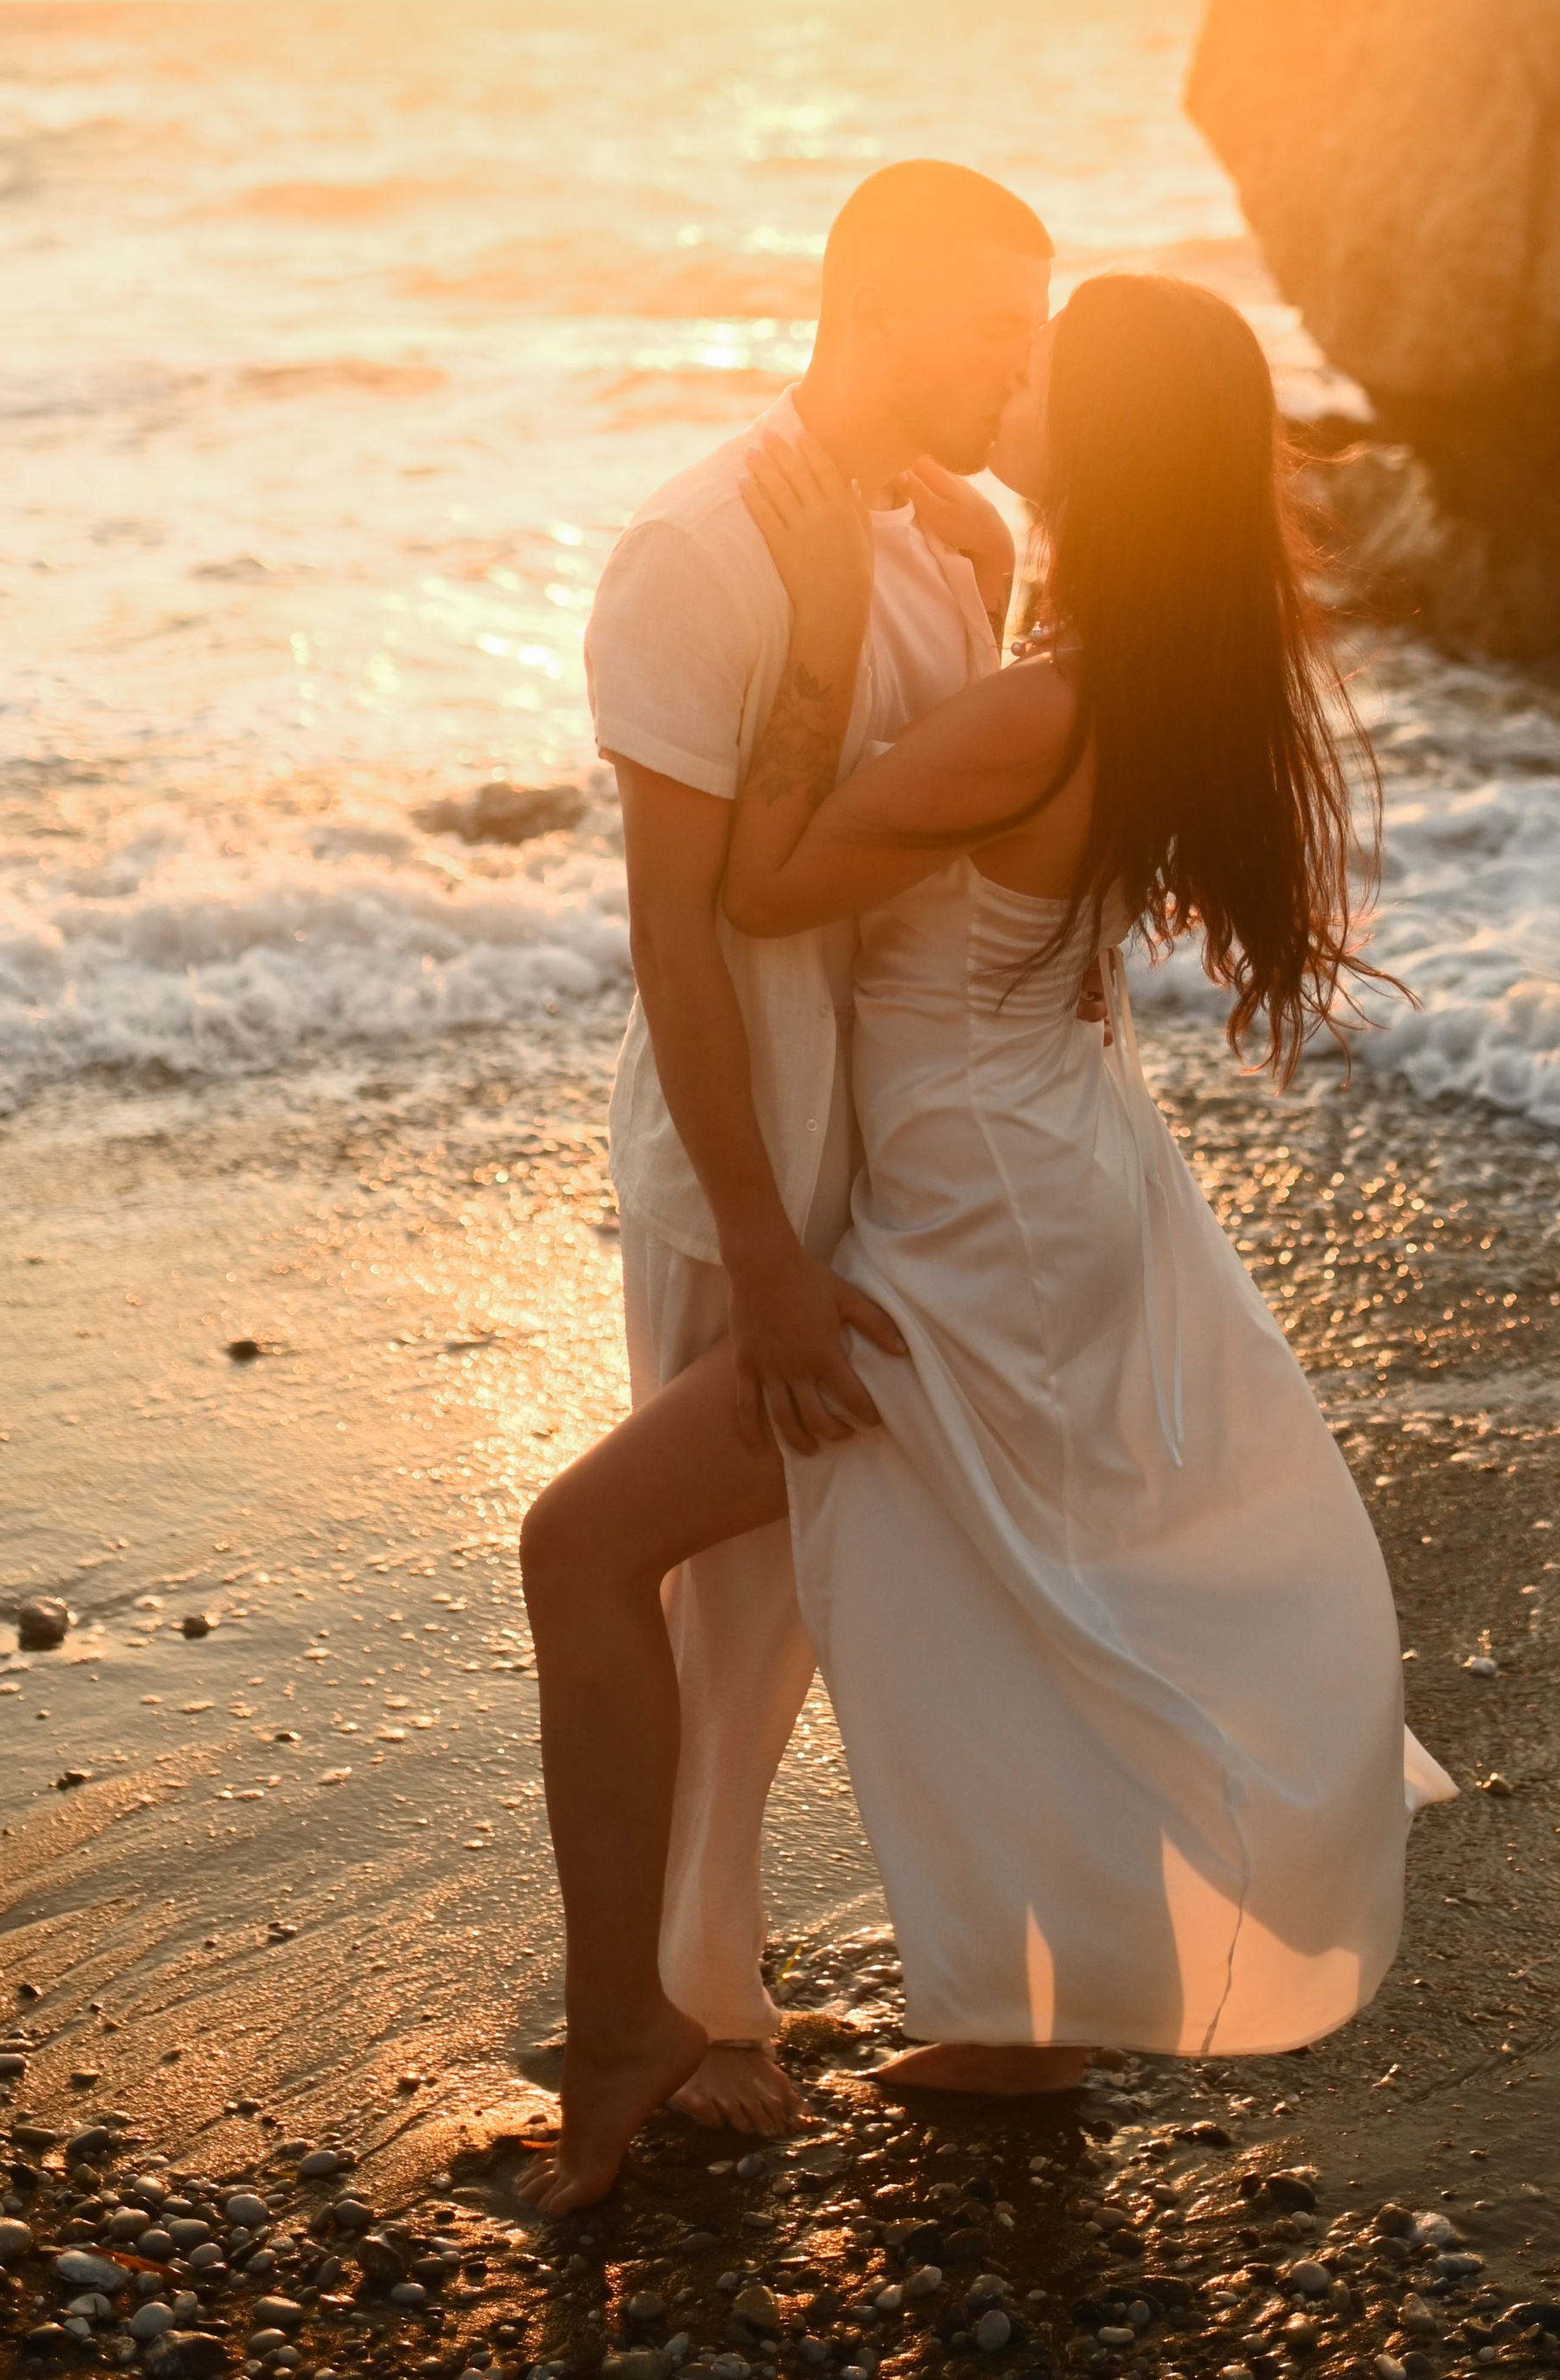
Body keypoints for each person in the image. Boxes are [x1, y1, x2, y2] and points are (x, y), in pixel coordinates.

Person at [523, 269, 1453, 2216]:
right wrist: (949, 546)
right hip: (1049, 1167)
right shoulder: (1123, 660)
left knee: (584, 1545)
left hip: (971, 1220)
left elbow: (763, 884)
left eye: (1042, 373)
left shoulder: (1041, 705)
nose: (1004, 377)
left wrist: (830, 630)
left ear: (1093, 444)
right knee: (1013, 1583)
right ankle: (1024, 2032)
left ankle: (623, 2024)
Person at [573, 157, 1055, 2140]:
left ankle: (959, 1988)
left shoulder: (969, 530)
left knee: (883, 1590)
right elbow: (677, 930)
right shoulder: (695, 556)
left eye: (1036, 330)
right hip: (746, 1163)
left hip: (916, 1159)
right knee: (727, 1604)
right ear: (870, 314)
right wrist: (762, 1245)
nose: (1020, 371)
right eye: (989, 329)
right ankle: (703, 2013)